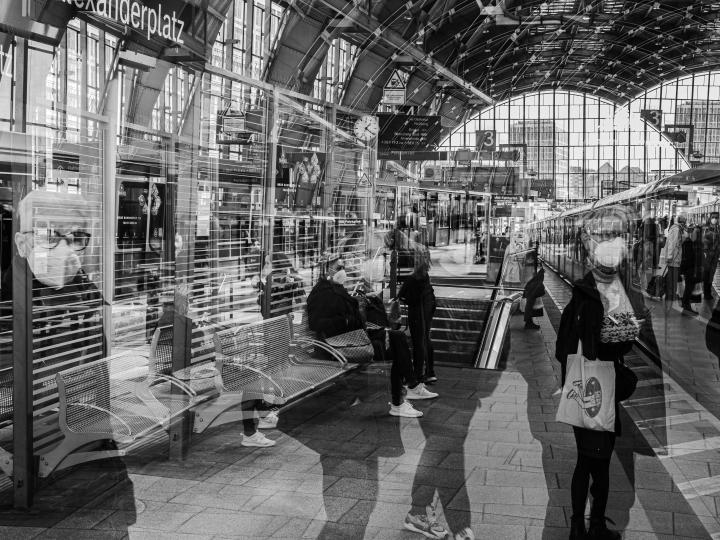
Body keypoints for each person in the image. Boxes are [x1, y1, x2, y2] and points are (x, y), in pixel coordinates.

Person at [555, 205, 641, 540]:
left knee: (588, 461)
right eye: (609, 238)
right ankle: (590, 525)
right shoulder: (595, 295)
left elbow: (566, 346)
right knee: (598, 462)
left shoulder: (596, 290)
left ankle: (582, 524)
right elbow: (592, 345)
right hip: (596, 387)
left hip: (590, 387)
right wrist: (621, 334)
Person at [398, 246, 440, 388]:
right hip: (426, 313)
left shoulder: (412, 278)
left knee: (418, 343)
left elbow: (401, 295)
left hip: (417, 314)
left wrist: (404, 299)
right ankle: (430, 372)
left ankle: (418, 375)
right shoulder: (425, 276)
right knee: (425, 339)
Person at [663, 213, 686, 305]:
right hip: (673, 259)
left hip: (675, 258)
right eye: (685, 221)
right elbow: (672, 244)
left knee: (672, 278)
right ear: (682, 221)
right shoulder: (676, 229)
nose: (685, 223)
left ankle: (671, 295)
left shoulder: (678, 228)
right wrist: (669, 257)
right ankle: (671, 296)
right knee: (672, 278)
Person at [680, 224, 701, 315]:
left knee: (689, 288)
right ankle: (686, 307)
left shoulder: (693, 243)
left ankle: (686, 306)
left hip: (691, 269)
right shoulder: (689, 243)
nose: (696, 235)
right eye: (695, 233)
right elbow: (688, 258)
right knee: (689, 288)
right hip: (689, 269)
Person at [703, 212, 720, 300]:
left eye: (716, 218)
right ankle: (706, 293)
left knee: (711, 274)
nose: (715, 219)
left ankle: (708, 292)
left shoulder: (718, 229)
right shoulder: (707, 229)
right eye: (713, 217)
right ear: (710, 218)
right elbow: (705, 242)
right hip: (708, 256)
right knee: (707, 273)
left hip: (715, 256)